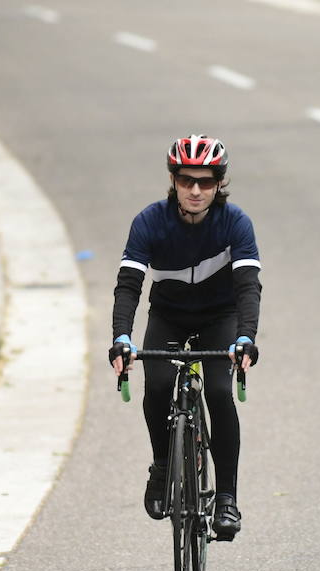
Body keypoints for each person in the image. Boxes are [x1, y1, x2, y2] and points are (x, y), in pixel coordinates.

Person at [109, 134, 262, 541]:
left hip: (220, 317)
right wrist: (122, 337)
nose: (196, 190)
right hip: (169, 316)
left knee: (217, 390)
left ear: (219, 184)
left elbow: (248, 286)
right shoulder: (149, 222)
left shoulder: (235, 223)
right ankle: (162, 467)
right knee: (157, 384)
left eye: (206, 181)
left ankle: (227, 498)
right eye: (187, 180)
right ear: (174, 180)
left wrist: (245, 338)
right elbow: (128, 286)